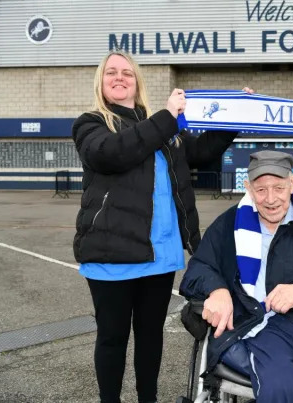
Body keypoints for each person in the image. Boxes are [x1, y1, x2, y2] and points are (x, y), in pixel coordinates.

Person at [72, 50, 249, 403]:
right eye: (111, 73)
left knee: (151, 336)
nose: (119, 77)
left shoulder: (162, 127)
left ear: (137, 81)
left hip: (160, 253)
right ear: (101, 81)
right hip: (113, 257)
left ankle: (147, 399)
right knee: (112, 337)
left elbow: (200, 152)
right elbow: (114, 152)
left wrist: (235, 115)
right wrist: (168, 117)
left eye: (127, 72)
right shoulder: (91, 124)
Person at [179, 150, 293, 403]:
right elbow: (197, 271)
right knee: (278, 386)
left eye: (278, 188)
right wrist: (217, 289)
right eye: (261, 190)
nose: (271, 199)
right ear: (248, 187)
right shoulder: (228, 225)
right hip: (264, 326)